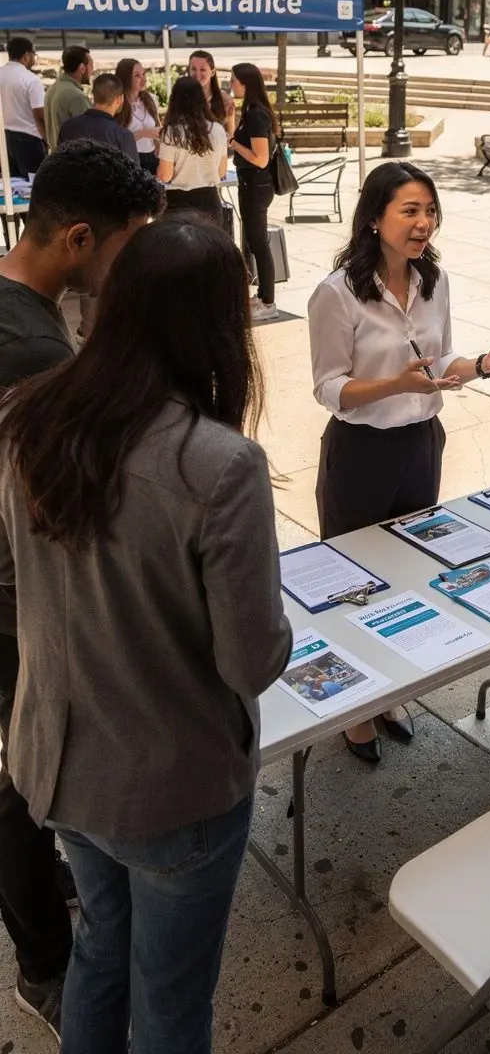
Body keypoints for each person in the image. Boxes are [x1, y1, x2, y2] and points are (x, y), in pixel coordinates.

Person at [0, 214, 292, 1053]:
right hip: (171, 789)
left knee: (100, 946)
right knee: (171, 1000)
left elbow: (15, 574)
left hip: (57, 764)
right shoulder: (220, 464)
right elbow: (251, 659)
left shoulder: (26, 414)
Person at [0, 143, 163, 1042]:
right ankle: (45, 967)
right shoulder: (32, 351)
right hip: (11, 607)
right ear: (77, 239)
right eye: (125, 246)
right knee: (20, 783)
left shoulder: (19, 309)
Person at [308, 162, 490, 763]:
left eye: (430, 211)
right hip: (360, 453)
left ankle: (390, 691)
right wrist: (394, 383)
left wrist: (484, 364)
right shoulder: (336, 293)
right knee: (355, 584)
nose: (424, 223)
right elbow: (329, 388)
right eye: (410, 211)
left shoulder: (434, 281)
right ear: (374, 218)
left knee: (410, 575)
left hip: (421, 444)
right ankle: (354, 710)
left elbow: (439, 368)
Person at [229, 62, 279, 320]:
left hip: (256, 185)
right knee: (254, 241)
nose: (231, 85)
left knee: (259, 243)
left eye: (233, 81)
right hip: (251, 184)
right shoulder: (250, 111)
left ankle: (268, 302)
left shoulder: (256, 114)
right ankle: (262, 295)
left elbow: (260, 158)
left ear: (245, 84)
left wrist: (235, 145)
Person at [157, 75, 228, 221]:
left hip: (178, 202)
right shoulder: (218, 129)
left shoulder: (171, 132)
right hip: (210, 201)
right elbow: (221, 172)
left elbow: (165, 175)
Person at [58, 73, 138, 161]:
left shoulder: (68, 127)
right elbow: (132, 169)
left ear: (94, 95)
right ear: (120, 99)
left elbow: (57, 162)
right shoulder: (123, 136)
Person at [0, 36, 47, 178]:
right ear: (26, 55)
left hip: (4, 137)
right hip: (28, 139)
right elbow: (39, 114)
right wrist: (47, 139)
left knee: (12, 183)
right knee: (35, 182)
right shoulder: (31, 79)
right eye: (34, 55)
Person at [114, 58, 162, 175]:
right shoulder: (117, 103)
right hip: (128, 160)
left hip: (152, 158)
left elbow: (157, 127)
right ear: (126, 78)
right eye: (137, 76)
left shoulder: (151, 99)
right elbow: (116, 139)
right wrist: (143, 133)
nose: (144, 79)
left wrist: (158, 143)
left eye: (144, 74)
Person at [44, 46, 94, 152]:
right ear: (82, 68)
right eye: (91, 66)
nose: (92, 70)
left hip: (56, 156)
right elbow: (88, 136)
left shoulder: (52, 89)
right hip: (72, 158)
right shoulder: (77, 96)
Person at [188, 49, 236, 137]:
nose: (197, 74)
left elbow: (231, 135)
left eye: (202, 70)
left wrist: (230, 117)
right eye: (193, 69)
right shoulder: (181, 98)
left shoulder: (225, 100)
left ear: (212, 72)